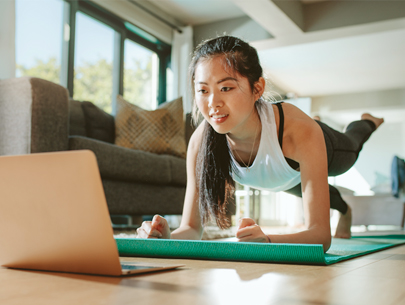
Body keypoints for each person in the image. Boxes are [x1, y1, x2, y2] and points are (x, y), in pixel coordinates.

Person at [136, 35, 384, 252]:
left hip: (324, 147)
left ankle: (367, 122)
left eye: (226, 87)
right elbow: (191, 229)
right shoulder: (200, 142)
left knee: (352, 147)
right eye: (203, 90)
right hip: (282, 176)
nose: (213, 103)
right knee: (319, 193)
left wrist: (267, 239)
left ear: (257, 88)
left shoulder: (298, 131)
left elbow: (320, 236)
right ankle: (345, 209)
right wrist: (165, 237)